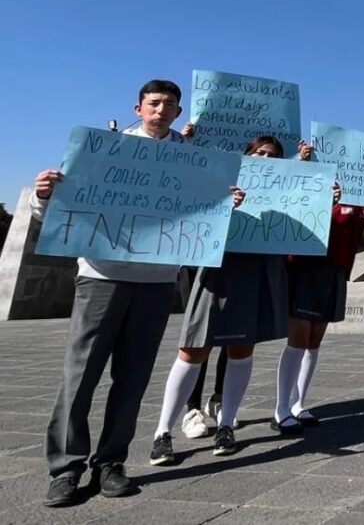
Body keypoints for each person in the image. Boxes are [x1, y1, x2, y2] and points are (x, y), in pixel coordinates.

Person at [35, 80, 243, 507]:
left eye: (170, 104)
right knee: (80, 376)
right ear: (138, 107)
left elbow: (203, 211)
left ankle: (111, 462)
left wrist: (227, 203)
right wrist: (43, 197)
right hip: (101, 276)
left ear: (179, 113)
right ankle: (67, 468)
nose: (162, 109)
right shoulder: (104, 149)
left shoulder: (192, 161)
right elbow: (64, 202)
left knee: (132, 379)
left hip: (156, 282)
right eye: (154, 103)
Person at [151, 135, 288, 464]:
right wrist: (223, 203)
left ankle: (227, 424)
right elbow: (193, 215)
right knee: (193, 348)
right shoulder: (222, 182)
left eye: (273, 155)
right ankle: (163, 432)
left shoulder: (287, 189)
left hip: (257, 270)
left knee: (242, 349)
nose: (266, 159)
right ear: (247, 154)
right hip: (218, 268)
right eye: (259, 153)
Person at [274, 141, 364, 430]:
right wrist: (304, 164)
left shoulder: (357, 196)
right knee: (298, 337)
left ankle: (299, 402)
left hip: (336, 271)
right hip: (307, 268)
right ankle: (281, 407)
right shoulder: (315, 186)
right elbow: (293, 201)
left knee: (314, 341)